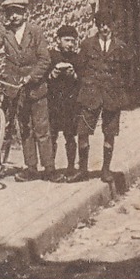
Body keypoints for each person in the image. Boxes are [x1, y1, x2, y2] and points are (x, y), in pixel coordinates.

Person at [0, 0, 52, 181]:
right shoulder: (5, 32)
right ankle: (31, 168)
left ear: (25, 13)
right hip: (15, 87)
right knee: (24, 128)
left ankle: (49, 168)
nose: (14, 17)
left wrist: (31, 77)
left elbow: (45, 59)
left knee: (41, 128)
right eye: (10, 13)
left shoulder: (35, 31)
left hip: (35, 87)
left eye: (17, 12)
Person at [76, 12, 132, 183]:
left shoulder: (121, 47)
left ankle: (106, 170)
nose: (104, 28)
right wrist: (87, 83)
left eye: (107, 24)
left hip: (112, 95)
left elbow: (129, 73)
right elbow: (79, 68)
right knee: (83, 131)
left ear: (112, 26)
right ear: (97, 26)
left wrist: (121, 90)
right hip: (91, 94)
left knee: (110, 133)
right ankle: (83, 170)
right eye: (101, 24)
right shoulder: (87, 45)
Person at [45, 24, 83, 182]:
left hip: (70, 104)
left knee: (70, 135)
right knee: (52, 135)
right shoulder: (50, 56)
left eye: (73, 41)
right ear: (58, 40)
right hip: (53, 103)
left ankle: (70, 167)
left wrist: (74, 75)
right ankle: (51, 168)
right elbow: (43, 77)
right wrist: (52, 74)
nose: (70, 44)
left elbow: (81, 79)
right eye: (66, 40)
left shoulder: (76, 58)